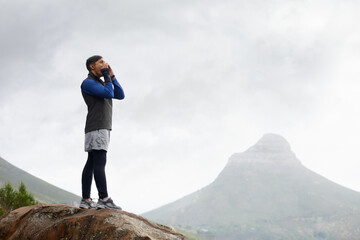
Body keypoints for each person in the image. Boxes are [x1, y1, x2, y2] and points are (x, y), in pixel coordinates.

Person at [79, 55, 125, 210]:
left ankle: (86, 200)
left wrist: (111, 76)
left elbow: (120, 94)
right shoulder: (88, 83)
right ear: (92, 66)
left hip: (99, 127)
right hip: (97, 127)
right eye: (101, 62)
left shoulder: (100, 82)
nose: (105, 63)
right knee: (99, 161)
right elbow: (109, 93)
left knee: (92, 162)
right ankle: (104, 199)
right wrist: (106, 76)